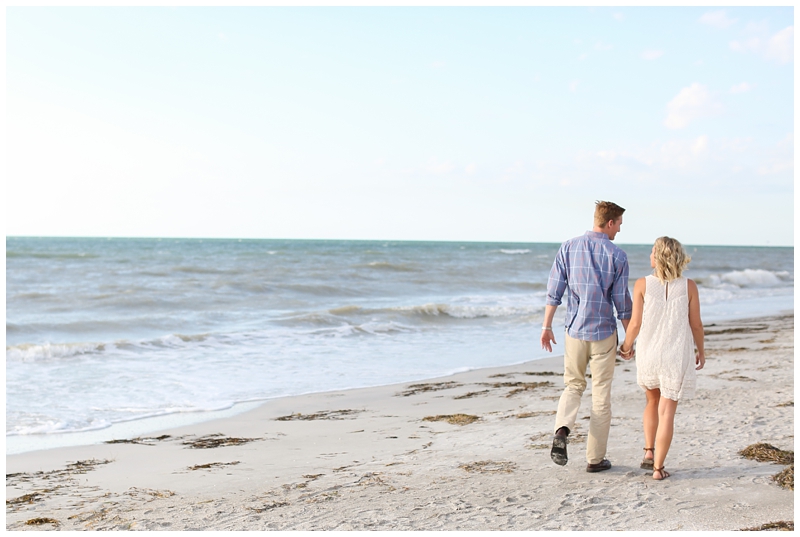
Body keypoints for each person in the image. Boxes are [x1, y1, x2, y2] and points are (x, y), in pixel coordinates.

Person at [541, 201, 632, 472]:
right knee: (601, 396)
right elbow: (621, 302)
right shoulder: (617, 255)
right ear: (611, 222)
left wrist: (547, 326)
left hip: (574, 331)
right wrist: (630, 339)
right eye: (619, 225)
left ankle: (561, 431)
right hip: (604, 333)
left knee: (573, 386)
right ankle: (595, 460)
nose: (619, 231)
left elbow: (554, 291)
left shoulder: (568, 247)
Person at [618, 236, 705, 481]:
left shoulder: (642, 284)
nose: (649, 256)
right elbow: (696, 325)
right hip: (675, 354)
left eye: (652, 252)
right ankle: (658, 468)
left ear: (658, 256)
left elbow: (635, 324)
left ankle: (648, 452)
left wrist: (625, 347)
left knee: (651, 402)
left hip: (649, 352)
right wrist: (701, 350)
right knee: (667, 412)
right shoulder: (689, 286)